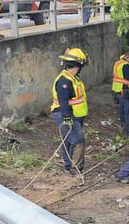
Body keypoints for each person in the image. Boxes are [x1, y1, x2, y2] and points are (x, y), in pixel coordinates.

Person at [50, 47, 88, 175]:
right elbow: (63, 100)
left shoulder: (73, 78)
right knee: (78, 141)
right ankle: (75, 168)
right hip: (65, 114)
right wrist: (66, 117)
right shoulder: (64, 81)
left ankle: (68, 166)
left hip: (74, 114)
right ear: (77, 66)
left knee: (68, 140)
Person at [111, 51, 129, 137]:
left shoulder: (118, 63)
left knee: (122, 110)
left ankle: (122, 125)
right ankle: (127, 131)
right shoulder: (125, 65)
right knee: (128, 112)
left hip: (117, 90)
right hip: (125, 91)